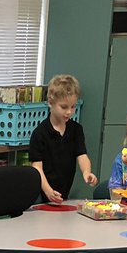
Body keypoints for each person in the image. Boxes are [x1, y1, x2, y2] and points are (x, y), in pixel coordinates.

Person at [29, 74, 97, 203]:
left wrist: (87, 173)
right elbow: (37, 167)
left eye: (73, 107)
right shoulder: (39, 133)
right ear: (50, 102)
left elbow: (82, 155)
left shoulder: (76, 130)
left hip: (64, 191)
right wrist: (48, 191)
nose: (69, 112)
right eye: (64, 107)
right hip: (41, 192)